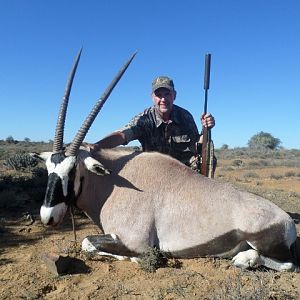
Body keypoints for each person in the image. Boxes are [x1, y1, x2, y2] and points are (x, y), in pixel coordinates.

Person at [88, 76, 215, 171]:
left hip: (182, 169)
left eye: (167, 94)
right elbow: (123, 135)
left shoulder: (185, 116)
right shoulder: (144, 118)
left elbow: (197, 144)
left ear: (174, 95)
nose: (163, 99)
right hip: (155, 170)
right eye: (159, 95)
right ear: (152, 97)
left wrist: (206, 128)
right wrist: (96, 146)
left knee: (209, 159)